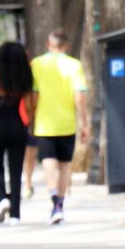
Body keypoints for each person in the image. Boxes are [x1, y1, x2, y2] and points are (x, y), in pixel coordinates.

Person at [30, 30, 88, 225]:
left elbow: (34, 95)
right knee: (64, 165)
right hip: (67, 124)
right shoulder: (74, 65)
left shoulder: (37, 64)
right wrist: (84, 124)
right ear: (66, 46)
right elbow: (79, 98)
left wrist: (31, 117)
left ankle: (53, 197)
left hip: (44, 123)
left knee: (48, 162)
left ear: (49, 44)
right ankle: (59, 205)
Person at [0, 43, 34, 225]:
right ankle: (15, 215)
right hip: (18, 128)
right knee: (16, 169)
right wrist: (31, 125)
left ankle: (2, 197)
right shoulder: (24, 79)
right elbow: (28, 106)